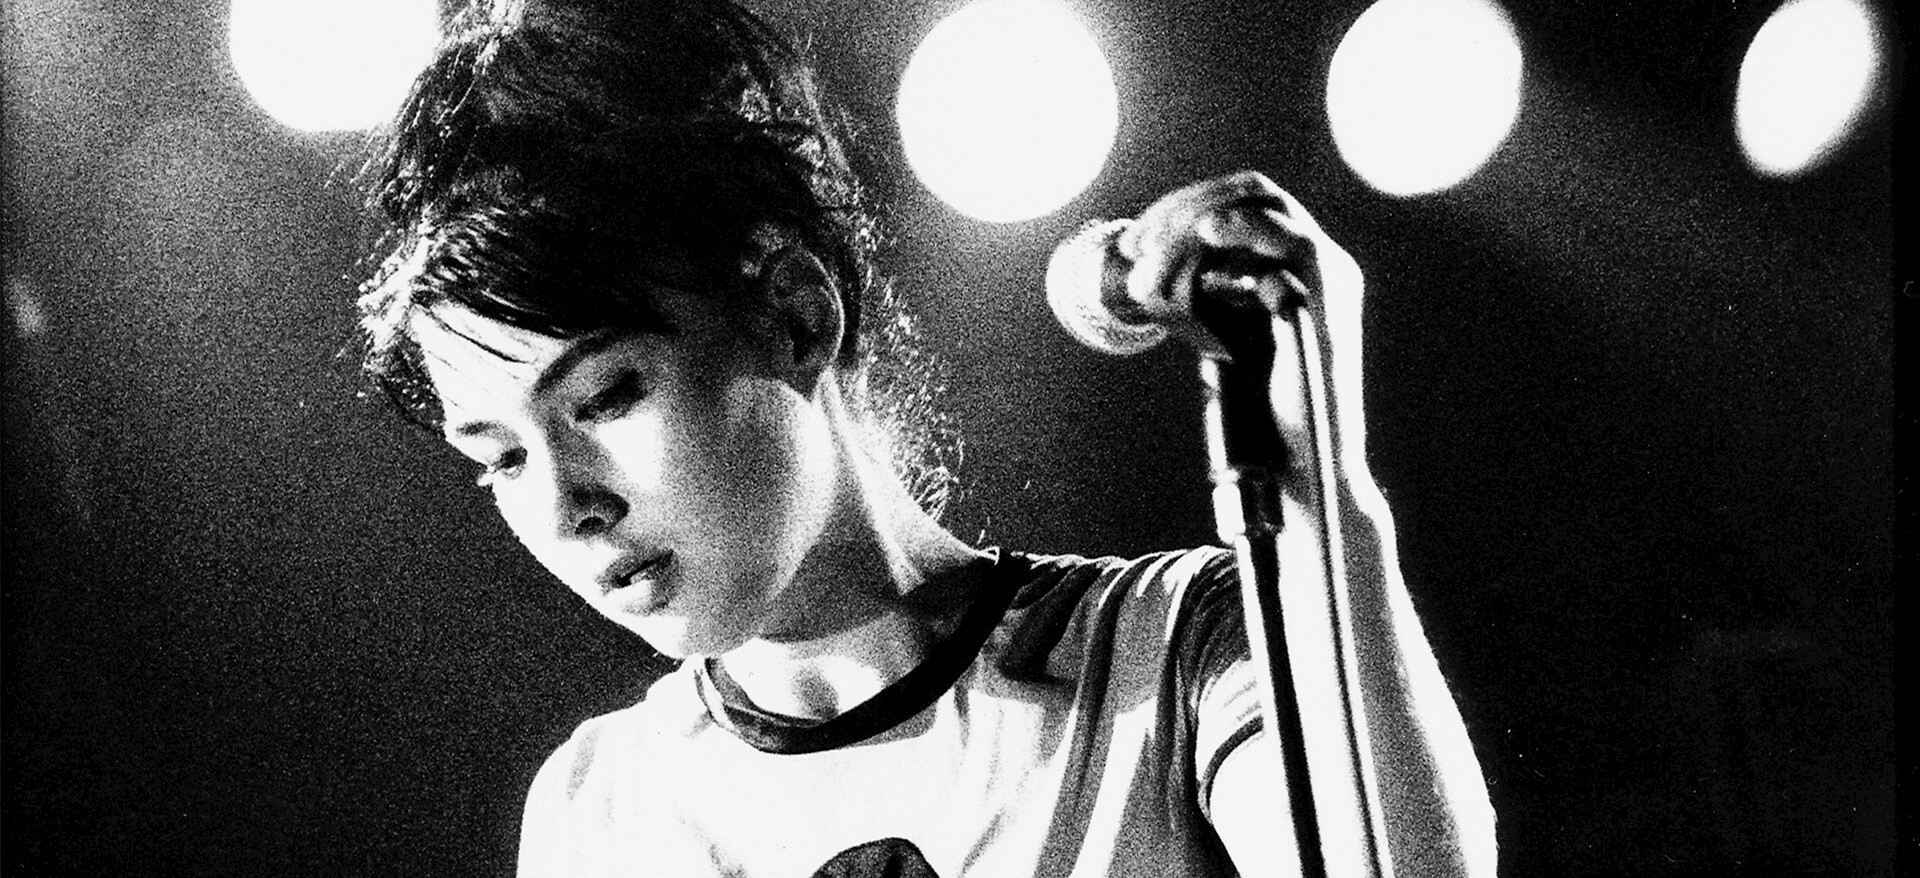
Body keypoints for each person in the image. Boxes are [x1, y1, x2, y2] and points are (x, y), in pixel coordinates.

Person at [353, 0, 1497, 875]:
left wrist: (1311, 467)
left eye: (606, 395)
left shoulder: (1180, 651)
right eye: (500, 455)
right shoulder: (603, 811)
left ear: (798, 316)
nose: (566, 507)